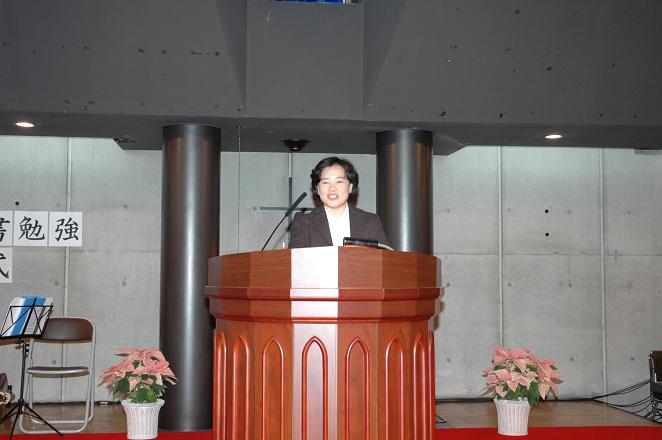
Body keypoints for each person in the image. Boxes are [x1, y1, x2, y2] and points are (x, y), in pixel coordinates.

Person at [289, 157, 390, 248]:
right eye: (325, 182)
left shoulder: (370, 222)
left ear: (350, 187)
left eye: (339, 182)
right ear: (318, 189)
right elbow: (295, 259)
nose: (332, 188)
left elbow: (386, 258)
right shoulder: (303, 223)